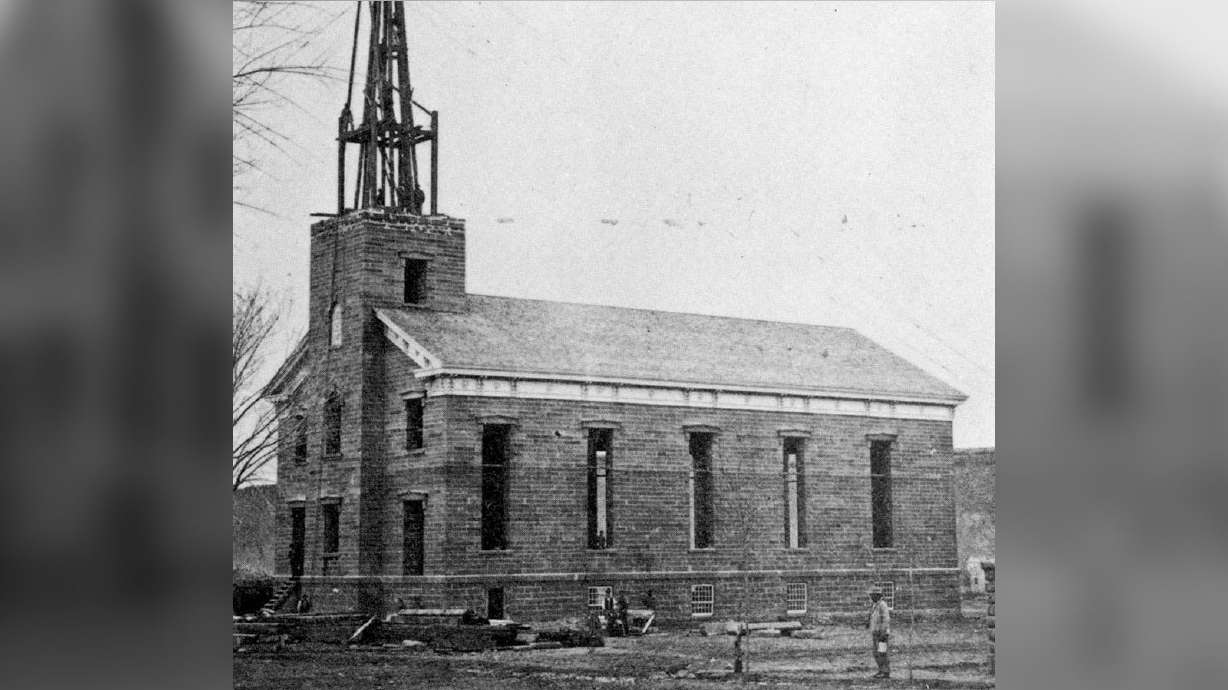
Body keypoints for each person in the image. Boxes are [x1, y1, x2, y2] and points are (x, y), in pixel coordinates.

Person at [867, 586, 891, 679]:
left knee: (882, 653)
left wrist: (883, 632)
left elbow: (886, 619)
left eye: (872, 595)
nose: (871, 597)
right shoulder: (874, 605)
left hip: (882, 634)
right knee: (876, 653)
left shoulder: (882, 605)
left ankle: (885, 672)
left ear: (877, 595)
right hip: (875, 633)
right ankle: (881, 670)